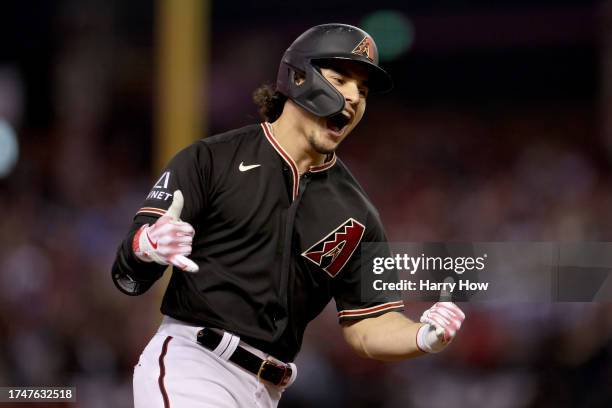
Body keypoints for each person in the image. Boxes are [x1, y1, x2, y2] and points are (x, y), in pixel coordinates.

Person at [111, 23, 465, 408]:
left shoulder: (357, 212)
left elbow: (368, 324)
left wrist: (422, 337)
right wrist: (146, 246)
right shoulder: (212, 160)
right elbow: (127, 274)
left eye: (362, 91)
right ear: (298, 78)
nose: (353, 97)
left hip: (268, 391)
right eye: (340, 80)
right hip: (194, 365)